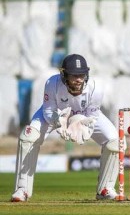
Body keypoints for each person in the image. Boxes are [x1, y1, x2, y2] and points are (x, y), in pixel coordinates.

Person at [11, 54, 120, 202]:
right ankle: (22, 189)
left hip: (83, 116)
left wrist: (86, 127)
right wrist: (58, 122)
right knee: (28, 137)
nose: (78, 79)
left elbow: (93, 115)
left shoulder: (96, 87)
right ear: (64, 75)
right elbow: (48, 110)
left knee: (115, 142)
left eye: (81, 75)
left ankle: (106, 189)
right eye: (74, 75)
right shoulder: (52, 83)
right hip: (55, 114)